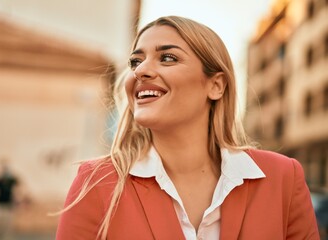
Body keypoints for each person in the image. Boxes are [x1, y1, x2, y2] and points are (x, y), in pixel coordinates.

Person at [56, 16, 319, 240]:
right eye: (135, 62)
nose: (142, 70)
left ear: (216, 85)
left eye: (168, 58)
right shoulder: (96, 182)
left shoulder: (283, 177)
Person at [0, 157, 19, 240]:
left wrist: (17, 200)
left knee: (7, 228)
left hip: (8, 206)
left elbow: (18, 189)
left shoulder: (12, 180)